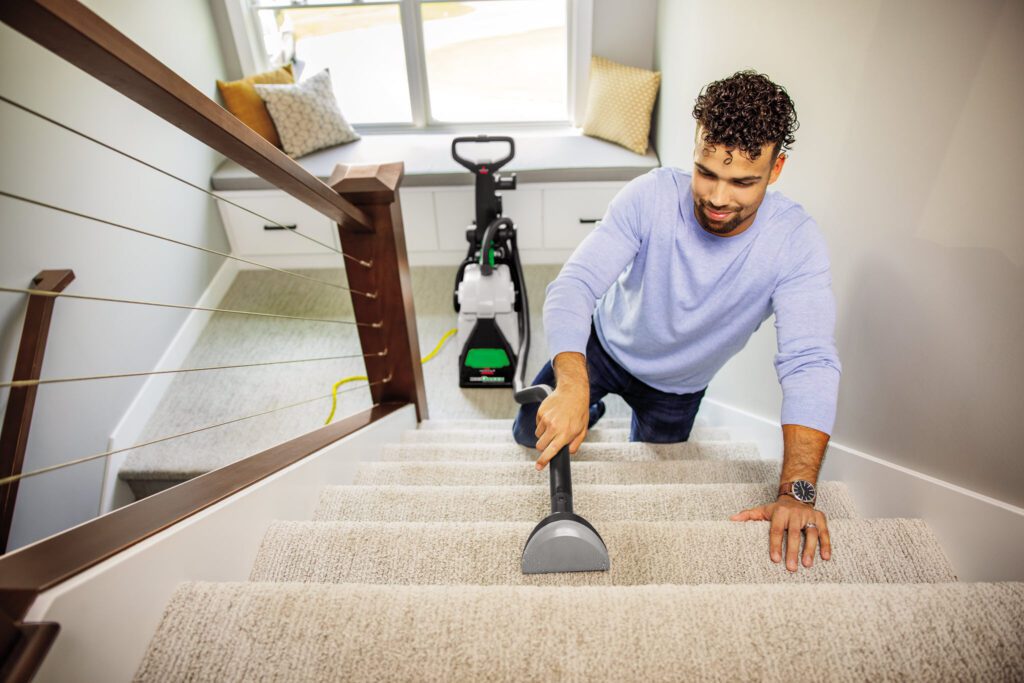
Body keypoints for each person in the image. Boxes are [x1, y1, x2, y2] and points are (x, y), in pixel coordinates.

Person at [512, 70, 841, 573]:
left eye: (742, 181)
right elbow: (574, 284)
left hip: (678, 388)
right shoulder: (651, 196)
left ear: (776, 171)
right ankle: (590, 407)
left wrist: (797, 492)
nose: (717, 197)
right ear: (694, 149)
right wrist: (574, 384)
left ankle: (596, 411)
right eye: (706, 171)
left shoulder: (795, 242)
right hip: (605, 347)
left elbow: (809, 362)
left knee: (654, 481)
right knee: (525, 432)